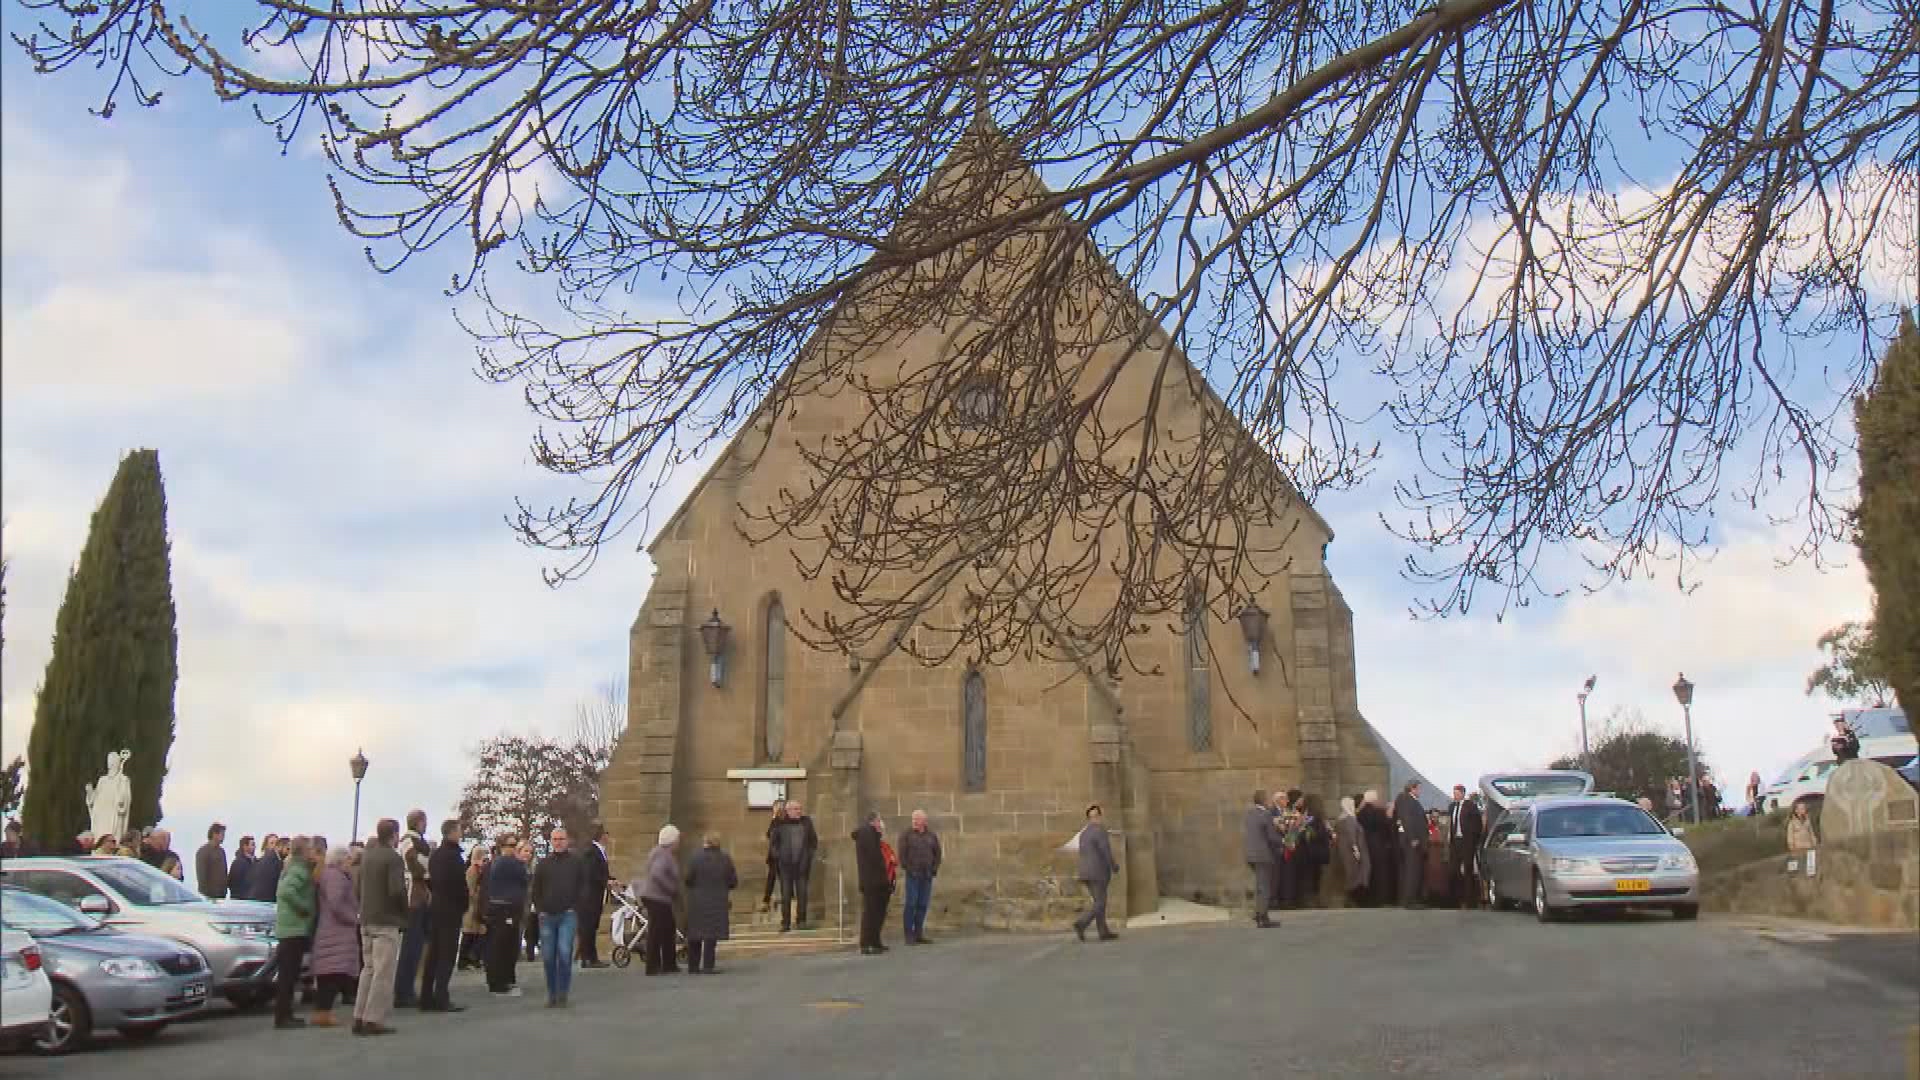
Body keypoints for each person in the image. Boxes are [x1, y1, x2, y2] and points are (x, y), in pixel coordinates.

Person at [354, 819, 407, 1036]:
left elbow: (358, 887)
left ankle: (359, 1014)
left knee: (368, 969)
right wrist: (405, 913)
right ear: (394, 834)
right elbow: (396, 890)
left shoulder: (367, 856)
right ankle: (373, 1019)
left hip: (366, 918)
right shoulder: (393, 858)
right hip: (386, 920)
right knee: (383, 972)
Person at [531, 826, 586, 1006]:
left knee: (564, 952)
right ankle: (552, 993)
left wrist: (575, 907)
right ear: (551, 841)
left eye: (561, 839)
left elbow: (583, 886)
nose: (558, 842)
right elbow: (536, 889)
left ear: (567, 840)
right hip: (547, 916)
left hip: (567, 915)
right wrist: (540, 910)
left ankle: (562, 992)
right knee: (548, 956)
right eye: (555, 839)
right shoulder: (543, 864)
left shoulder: (576, 863)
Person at [310, 844, 361, 1028]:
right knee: (332, 974)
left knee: (329, 974)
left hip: (331, 931)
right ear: (340, 859)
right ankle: (323, 1013)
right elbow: (336, 903)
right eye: (348, 859)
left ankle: (322, 1012)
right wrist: (353, 918)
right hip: (336, 932)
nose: (350, 862)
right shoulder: (336, 877)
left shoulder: (330, 875)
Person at [420, 819, 468, 1013]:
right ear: (452, 833)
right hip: (451, 909)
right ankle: (441, 996)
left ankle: (426, 996)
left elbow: (430, 880)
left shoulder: (436, 855)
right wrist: (464, 904)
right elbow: (459, 885)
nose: (461, 834)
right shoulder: (454, 857)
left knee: (433, 953)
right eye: (459, 831)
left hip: (437, 906)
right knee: (447, 955)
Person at [272, 836, 318, 1030]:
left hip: (290, 928)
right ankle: (283, 1016)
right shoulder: (298, 869)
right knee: (288, 976)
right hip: (293, 929)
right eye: (310, 849)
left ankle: (285, 1014)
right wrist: (305, 907)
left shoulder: (293, 867)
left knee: (288, 975)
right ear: (303, 850)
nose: (312, 852)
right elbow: (286, 892)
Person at [393, 809, 433, 1009]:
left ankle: (405, 989)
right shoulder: (410, 841)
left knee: (415, 946)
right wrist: (426, 872)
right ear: (419, 822)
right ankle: (403, 990)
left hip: (417, 897)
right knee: (412, 946)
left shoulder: (410, 841)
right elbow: (412, 862)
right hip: (414, 899)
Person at [684, 831, 738, 974]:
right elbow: (733, 881)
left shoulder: (695, 858)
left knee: (695, 934)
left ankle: (693, 966)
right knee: (710, 935)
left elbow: (688, 879)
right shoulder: (725, 859)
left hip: (697, 900)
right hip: (717, 901)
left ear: (705, 842)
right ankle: (708, 965)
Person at [484, 835, 528, 997]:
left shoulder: (497, 863)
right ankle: (500, 983)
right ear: (502, 847)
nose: (515, 848)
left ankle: (501, 980)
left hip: (504, 908)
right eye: (511, 845)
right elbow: (524, 877)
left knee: (502, 945)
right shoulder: (507, 862)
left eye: (516, 844)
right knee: (503, 947)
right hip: (505, 909)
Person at [637, 825, 683, 975]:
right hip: (657, 897)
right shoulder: (663, 855)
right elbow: (657, 874)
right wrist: (671, 888)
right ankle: (654, 966)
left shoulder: (661, 852)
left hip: (656, 897)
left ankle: (668, 964)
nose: (679, 842)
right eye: (677, 839)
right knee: (657, 931)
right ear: (672, 840)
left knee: (667, 929)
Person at [1071, 804, 1119, 943]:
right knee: (1100, 903)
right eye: (1094, 816)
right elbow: (1105, 851)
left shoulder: (1084, 833)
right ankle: (1082, 923)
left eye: (1097, 816)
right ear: (1091, 818)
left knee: (1099, 901)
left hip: (1085, 872)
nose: (1096, 819)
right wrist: (1113, 865)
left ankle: (1103, 931)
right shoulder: (1100, 831)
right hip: (1098, 872)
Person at [769, 800, 819, 932]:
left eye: (800, 809)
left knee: (802, 893)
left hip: (802, 865)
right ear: (788, 810)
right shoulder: (779, 823)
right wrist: (778, 856)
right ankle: (785, 923)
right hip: (785, 866)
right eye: (796, 809)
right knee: (785, 895)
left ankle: (801, 921)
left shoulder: (806, 822)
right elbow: (773, 843)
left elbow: (813, 841)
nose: (799, 811)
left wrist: (808, 856)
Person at [897, 809, 943, 945]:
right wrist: (908, 868)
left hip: (927, 875)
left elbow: (938, 854)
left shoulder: (931, 836)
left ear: (924, 821)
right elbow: (902, 854)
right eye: (913, 819)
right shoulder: (906, 835)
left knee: (923, 904)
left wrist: (934, 869)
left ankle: (918, 933)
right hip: (913, 875)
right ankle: (908, 935)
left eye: (917, 819)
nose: (915, 821)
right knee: (911, 904)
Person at [852, 811, 893, 955]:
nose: (881, 824)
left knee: (878, 913)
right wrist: (878, 833)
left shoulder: (871, 834)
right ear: (873, 821)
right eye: (879, 821)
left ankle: (875, 941)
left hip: (878, 880)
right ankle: (866, 943)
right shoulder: (867, 833)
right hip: (872, 880)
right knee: (870, 913)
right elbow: (874, 857)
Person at [1242, 790, 1282, 928]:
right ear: (1264, 800)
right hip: (1263, 855)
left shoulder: (1250, 814)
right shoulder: (1266, 814)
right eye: (1268, 799)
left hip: (1251, 855)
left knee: (1260, 885)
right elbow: (1271, 837)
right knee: (1265, 887)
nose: (1270, 801)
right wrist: (1284, 841)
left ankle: (1259, 913)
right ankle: (1263, 918)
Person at [577, 823, 611, 969]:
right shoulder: (592, 852)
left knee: (591, 926)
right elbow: (592, 873)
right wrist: (606, 881)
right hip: (589, 896)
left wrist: (611, 879)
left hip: (595, 895)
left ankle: (590, 956)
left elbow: (601, 872)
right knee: (588, 926)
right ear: (602, 836)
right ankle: (588, 957)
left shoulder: (599, 852)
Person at [1357, 790, 1396, 907]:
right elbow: (1387, 827)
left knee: (1369, 873)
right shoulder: (1379, 812)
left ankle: (1368, 899)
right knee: (1380, 874)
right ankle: (1380, 899)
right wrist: (1389, 815)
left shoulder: (1360, 813)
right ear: (1374, 800)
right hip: (1379, 847)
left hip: (1365, 846)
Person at [1392, 782, 1427, 909]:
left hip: (1412, 840)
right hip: (1410, 841)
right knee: (1411, 870)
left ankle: (1410, 899)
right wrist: (1413, 837)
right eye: (1419, 788)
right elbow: (1407, 819)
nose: (1420, 791)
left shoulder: (1409, 800)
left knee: (1412, 870)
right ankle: (1409, 900)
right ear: (1413, 788)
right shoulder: (1405, 799)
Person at [1448, 785, 1483, 909]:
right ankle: (1456, 899)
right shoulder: (1452, 806)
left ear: (1463, 793)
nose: (1455, 795)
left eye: (1457, 793)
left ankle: (1470, 900)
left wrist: (1474, 840)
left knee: (1468, 870)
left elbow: (1478, 825)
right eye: (1454, 793)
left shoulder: (1470, 806)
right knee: (1454, 870)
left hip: (1467, 842)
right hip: (1455, 842)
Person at [459, 846, 492, 971]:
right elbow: (470, 889)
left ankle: (473, 959)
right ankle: (464, 960)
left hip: (478, 907)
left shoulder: (481, 870)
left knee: (478, 934)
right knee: (469, 934)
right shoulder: (472, 870)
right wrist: (479, 893)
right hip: (471, 907)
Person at [1334, 796, 1370, 905]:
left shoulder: (1340, 819)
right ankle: (1353, 900)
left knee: (1349, 875)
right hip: (1351, 851)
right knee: (1354, 875)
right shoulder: (1350, 819)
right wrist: (1356, 851)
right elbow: (1352, 836)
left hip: (1343, 851)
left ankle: (1350, 899)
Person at [759, 798, 787, 912]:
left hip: (780, 855)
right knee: (774, 878)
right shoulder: (775, 820)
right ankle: (767, 901)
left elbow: (771, 834)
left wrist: (774, 818)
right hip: (774, 856)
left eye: (775, 807)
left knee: (781, 878)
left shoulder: (781, 821)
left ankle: (769, 901)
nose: (774, 810)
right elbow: (769, 834)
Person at [195, 824, 229, 899]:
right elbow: (201, 876)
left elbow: (224, 872)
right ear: (214, 834)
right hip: (209, 896)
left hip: (221, 895)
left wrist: (224, 890)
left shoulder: (221, 851)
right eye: (222, 834)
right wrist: (205, 895)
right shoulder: (203, 851)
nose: (223, 836)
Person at [249, 833, 284, 902]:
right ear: (265, 846)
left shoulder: (279, 862)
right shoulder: (258, 863)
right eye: (272, 843)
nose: (274, 846)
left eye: (276, 843)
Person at [229, 835, 257, 899]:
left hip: (253, 898)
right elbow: (232, 882)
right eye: (252, 845)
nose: (255, 847)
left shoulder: (256, 862)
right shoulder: (238, 863)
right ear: (245, 846)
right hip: (241, 899)